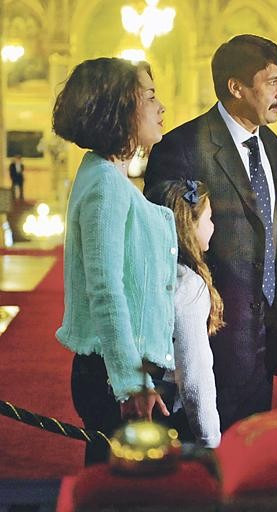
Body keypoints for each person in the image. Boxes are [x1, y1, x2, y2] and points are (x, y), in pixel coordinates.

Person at [144, 34, 277, 431]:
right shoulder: (181, 147)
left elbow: (275, 229)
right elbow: (166, 250)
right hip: (209, 338)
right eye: (273, 81)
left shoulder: (274, 146)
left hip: (265, 336)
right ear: (236, 87)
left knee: (251, 448)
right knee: (208, 452)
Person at [53, 57, 174, 465]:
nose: (161, 107)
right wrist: (130, 383)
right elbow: (105, 289)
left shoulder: (107, 173)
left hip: (120, 369)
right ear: (120, 108)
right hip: (113, 374)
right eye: (151, 97)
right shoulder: (105, 182)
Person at [145, 179, 223, 448]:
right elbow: (194, 373)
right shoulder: (187, 285)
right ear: (189, 225)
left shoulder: (146, 270)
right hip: (162, 412)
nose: (213, 226)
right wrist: (209, 439)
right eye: (209, 218)